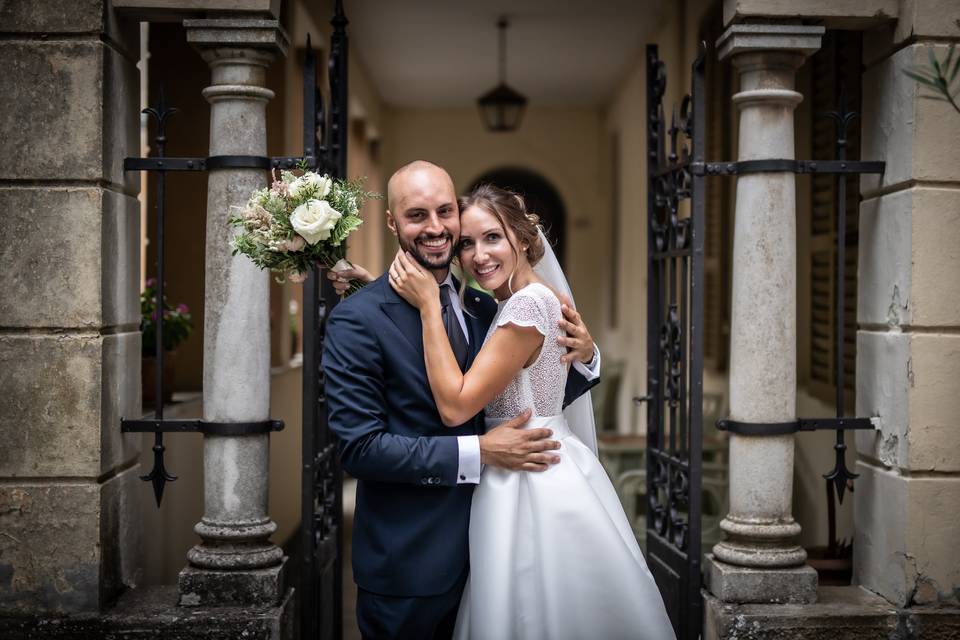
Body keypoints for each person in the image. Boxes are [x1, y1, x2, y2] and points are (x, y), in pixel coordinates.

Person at [321, 161, 602, 639]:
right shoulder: (356, 319)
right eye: (416, 215)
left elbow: (525, 392)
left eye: (444, 212)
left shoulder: (484, 306)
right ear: (392, 223)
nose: (435, 228)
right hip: (414, 565)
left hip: (504, 542)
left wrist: (587, 355)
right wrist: (481, 451)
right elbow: (361, 449)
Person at [387, 183, 676, 640]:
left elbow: (457, 405)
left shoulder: (525, 304)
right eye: (467, 243)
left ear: (523, 239)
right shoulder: (507, 301)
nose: (478, 255)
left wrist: (426, 306)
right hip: (540, 458)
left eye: (492, 237)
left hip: (528, 475)